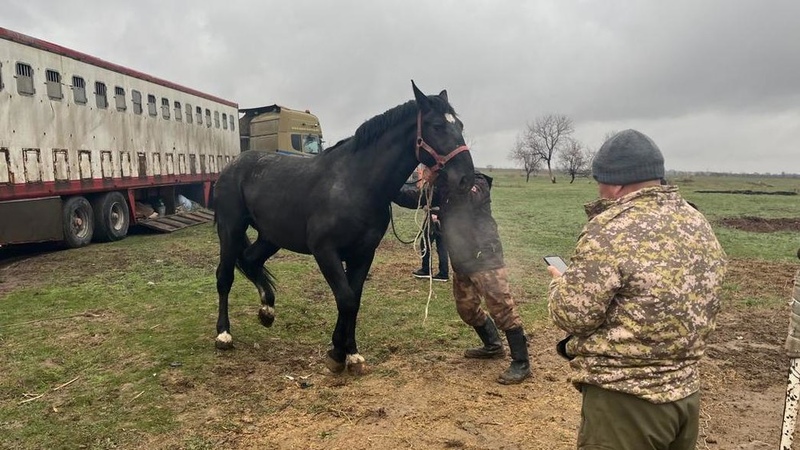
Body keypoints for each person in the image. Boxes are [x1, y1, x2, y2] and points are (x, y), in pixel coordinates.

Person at [546, 129, 727, 449]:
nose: (599, 190)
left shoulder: (610, 229)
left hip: (625, 402)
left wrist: (560, 283)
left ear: (615, 183)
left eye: (600, 181)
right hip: (685, 395)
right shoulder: (696, 221)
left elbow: (573, 316)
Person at [398, 167, 531, 384]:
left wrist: (438, 179)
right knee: (466, 309)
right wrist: (389, 189)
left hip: (485, 256)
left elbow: (467, 200)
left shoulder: (477, 181)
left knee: (502, 308)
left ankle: (521, 362)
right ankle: (493, 345)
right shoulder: (440, 188)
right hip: (461, 260)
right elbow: (414, 198)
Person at [397, 164, 449, 282]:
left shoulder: (437, 186)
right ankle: (443, 272)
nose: (424, 175)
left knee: (427, 242)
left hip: (436, 218)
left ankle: (427, 270)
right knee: (441, 244)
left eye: (426, 171)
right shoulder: (440, 184)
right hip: (441, 218)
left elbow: (423, 197)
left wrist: (436, 213)